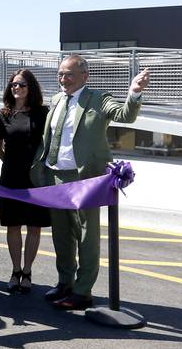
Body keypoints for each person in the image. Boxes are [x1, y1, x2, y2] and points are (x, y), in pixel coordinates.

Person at [31, 55, 149, 310]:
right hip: (56, 175)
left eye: (69, 74)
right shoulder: (56, 99)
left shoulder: (98, 98)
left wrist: (134, 94)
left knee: (86, 235)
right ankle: (65, 283)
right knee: (61, 235)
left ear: (85, 75)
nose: (64, 79)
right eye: (61, 74)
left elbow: (125, 115)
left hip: (84, 178)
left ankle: (83, 291)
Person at [0, 69, 50, 293]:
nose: (17, 88)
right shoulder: (2, 115)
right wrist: (12, 163)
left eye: (22, 85)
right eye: (14, 85)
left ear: (31, 88)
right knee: (13, 225)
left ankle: (27, 271)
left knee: (34, 227)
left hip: (36, 178)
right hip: (11, 177)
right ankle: (15, 270)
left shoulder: (43, 113)